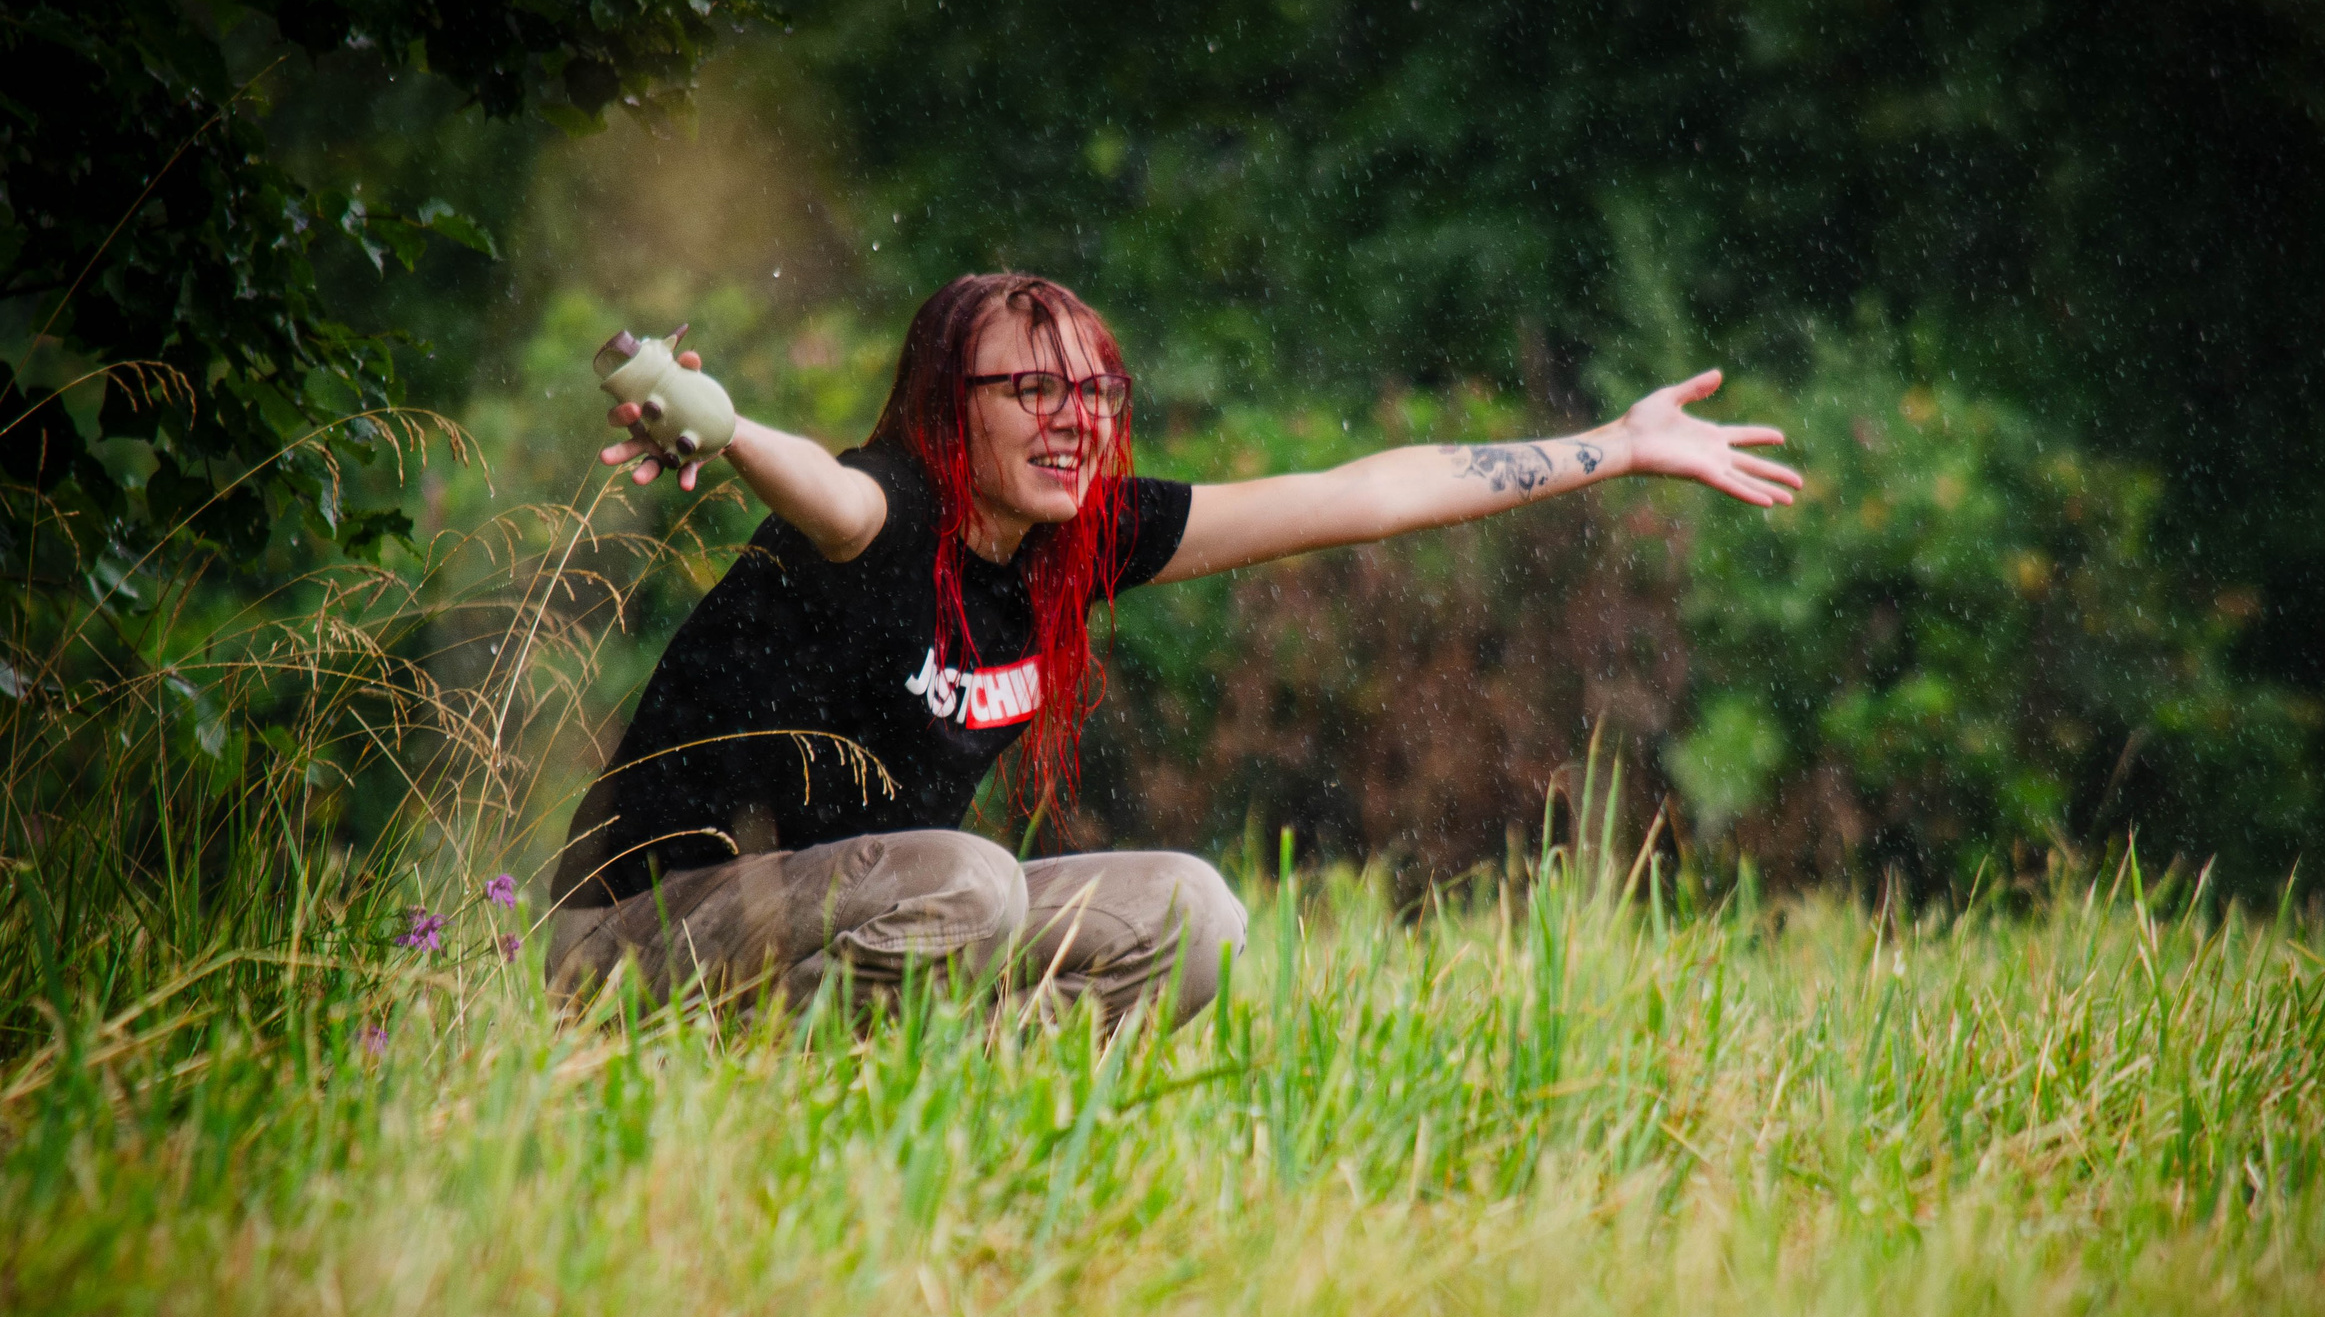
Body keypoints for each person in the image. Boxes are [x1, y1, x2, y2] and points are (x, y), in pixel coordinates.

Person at [546, 273, 1795, 1023]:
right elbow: (826, 488)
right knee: (972, 882)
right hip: (636, 939)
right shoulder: (888, 510)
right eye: (1030, 391)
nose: (1071, 422)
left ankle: (945, 1089)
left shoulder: (1081, 539)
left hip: (883, 926)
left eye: (1093, 396)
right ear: (949, 407)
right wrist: (724, 428)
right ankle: (748, 1063)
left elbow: (1365, 491)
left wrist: (1616, 447)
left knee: (1192, 916)